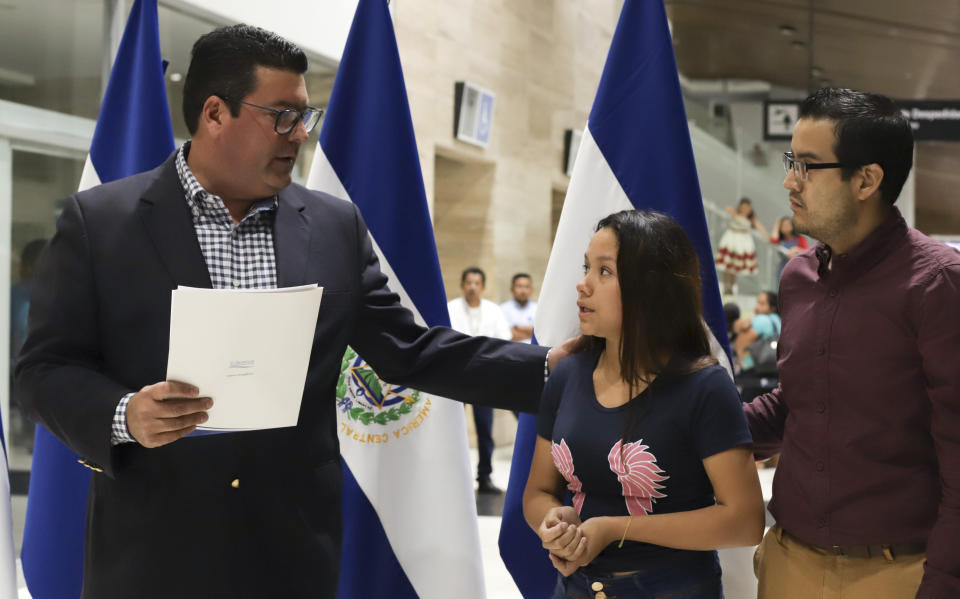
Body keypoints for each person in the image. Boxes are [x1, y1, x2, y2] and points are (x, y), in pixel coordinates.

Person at [15, 25, 570, 599]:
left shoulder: (335, 226)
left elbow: (412, 349)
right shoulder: (101, 223)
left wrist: (557, 372)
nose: (300, 134)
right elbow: (44, 371)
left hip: (292, 552)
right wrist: (124, 414)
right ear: (214, 114)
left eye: (307, 116)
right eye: (282, 115)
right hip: (152, 552)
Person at [745, 87, 960, 598]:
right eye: (790, 161)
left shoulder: (938, 285)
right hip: (789, 562)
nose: (788, 181)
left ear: (866, 179)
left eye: (806, 166)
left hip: (897, 572)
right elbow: (796, 402)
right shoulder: (799, 277)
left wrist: (945, 582)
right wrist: (686, 417)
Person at [523, 210, 764, 598]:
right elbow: (537, 492)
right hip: (575, 587)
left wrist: (615, 528)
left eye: (604, 272)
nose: (583, 285)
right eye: (587, 267)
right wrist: (554, 519)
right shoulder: (567, 374)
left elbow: (745, 520)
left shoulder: (704, 387)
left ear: (651, 288)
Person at [447, 266, 512, 494]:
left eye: (477, 283)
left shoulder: (493, 311)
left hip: (485, 376)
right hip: (457, 376)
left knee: (485, 430)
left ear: (482, 286)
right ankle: (452, 475)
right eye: (469, 283)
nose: (472, 287)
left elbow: (505, 339)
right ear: (463, 285)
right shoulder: (451, 308)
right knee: (453, 428)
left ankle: (484, 477)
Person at [715, 197, 767, 295]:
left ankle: (731, 287)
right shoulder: (735, 213)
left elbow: (759, 227)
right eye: (744, 207)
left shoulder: (751, 218)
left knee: (735, 267)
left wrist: (767, 236)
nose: (746, 209)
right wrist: (734, 214)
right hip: (731, 240)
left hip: (743, 242)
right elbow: (728, 212)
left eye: (748, 207)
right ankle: (727, 286)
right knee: (727, 265)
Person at [732, 291, 780, 374]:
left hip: (752, 370)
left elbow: (741, 344)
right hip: (775, 370)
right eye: (757, 303)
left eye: (762, 304)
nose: (757, 307)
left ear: (772, 307)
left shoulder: (761, 319)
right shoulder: (779, 320)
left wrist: (740, 363)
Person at [500, 272, 538, 343]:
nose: (523, 291)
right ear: (511, 289)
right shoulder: (502, 309)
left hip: (534, 350)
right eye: (519, 286)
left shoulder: (538, 309)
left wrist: (518, 328)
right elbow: (506, 335)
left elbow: (541, 334)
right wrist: (531, 331)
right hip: (511, 351)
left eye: (527, 287)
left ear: (531, 290)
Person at [769, 216, 807, 282]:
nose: (786, 227)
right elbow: (773, 240)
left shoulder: (800, 238)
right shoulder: (780, 240)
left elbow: (807, 251)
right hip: (783, 268)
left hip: (797, 268)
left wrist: (797, 250)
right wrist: (777, 224)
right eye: (783, 225)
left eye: (788, 224)